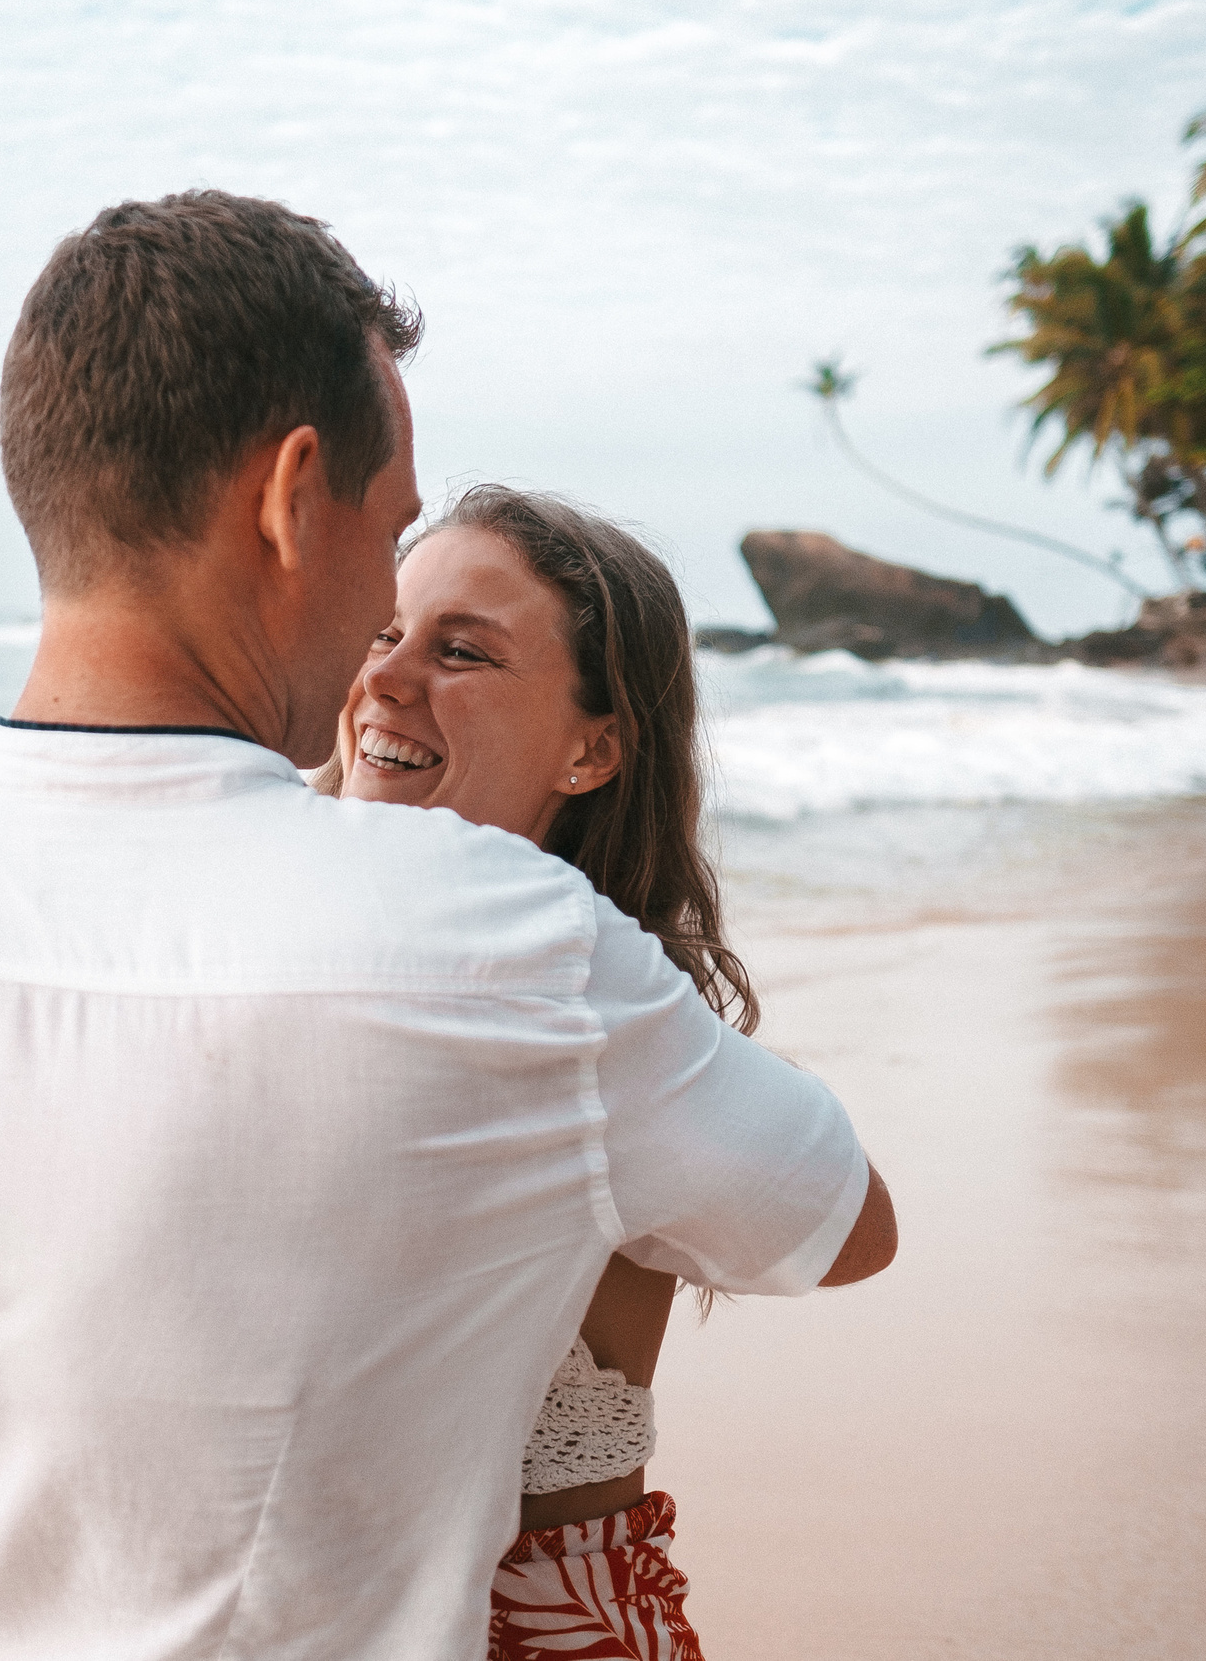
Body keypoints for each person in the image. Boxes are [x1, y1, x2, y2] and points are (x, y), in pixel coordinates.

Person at [0, 190, 893, 1659]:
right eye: (392, 532)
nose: (384, 641)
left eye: (459, 640)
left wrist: (52, 1451)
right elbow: (835, 1219)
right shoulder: (504, 950)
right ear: (298, 495)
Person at [320, 485, 893, 1659]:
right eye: (382, 632)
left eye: (461, 651)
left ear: (593, 747)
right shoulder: (266, 941)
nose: (385, 676)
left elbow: (856, 1233)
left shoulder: (586, 1002)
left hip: (534, 1617)